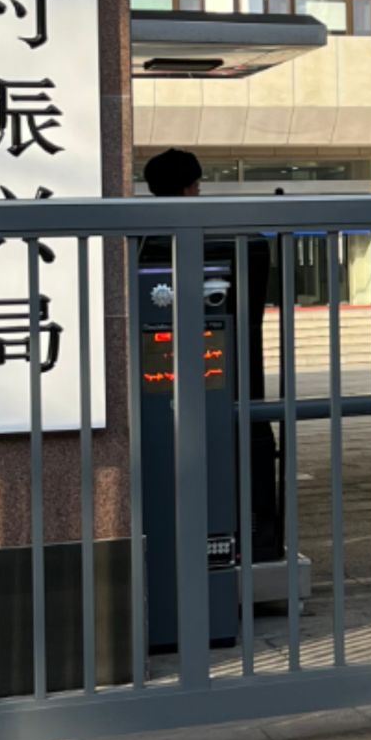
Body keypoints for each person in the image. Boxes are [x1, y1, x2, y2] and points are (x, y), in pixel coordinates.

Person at [141, 148, 279, 561]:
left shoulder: (140, 238)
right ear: (188, 188)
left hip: (161, 380)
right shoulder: (230, 241)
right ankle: (248, 547)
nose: (199, 192)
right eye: (197, 185)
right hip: (229, 383)